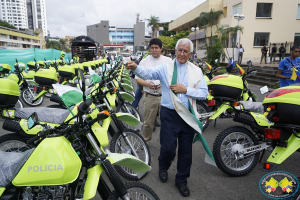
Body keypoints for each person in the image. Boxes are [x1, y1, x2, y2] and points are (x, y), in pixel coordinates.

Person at [126, 38, 209, 197]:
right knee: (168, 148)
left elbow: (204, 93)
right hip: (169, 114)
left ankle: (182, 180)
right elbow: (148, 73)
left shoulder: (196, 71)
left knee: (186, 152)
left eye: (185, 51)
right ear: (175, 51)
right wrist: (136, 67)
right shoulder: (166, 67)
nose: (182, 54)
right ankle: (163, 166)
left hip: (187, 116)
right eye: (180, 50)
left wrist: (186, 90)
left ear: (190, 54)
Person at [136, 38, 172, 143]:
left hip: (165, 96)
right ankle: (145, 142)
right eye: (152, 48)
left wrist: (165, 82)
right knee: (148, 123)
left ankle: (167, 144)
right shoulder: (144, 61)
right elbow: (138, 79)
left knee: (167, 123)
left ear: (161, 49)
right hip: (149, 96)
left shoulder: (168, 61)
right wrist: (147, 84)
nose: (154, 50)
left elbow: (173, 77)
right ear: (149, 49)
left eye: (157, 48)